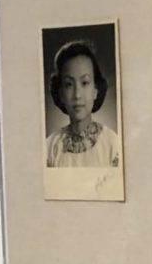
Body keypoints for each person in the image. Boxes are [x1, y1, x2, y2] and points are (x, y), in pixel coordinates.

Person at [45, 40, 120, 169]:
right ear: (61, 93)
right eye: (69, 84)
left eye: (85, 83)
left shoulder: (112, 144)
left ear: (96, 90)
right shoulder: (50, 147)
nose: (77, 95)